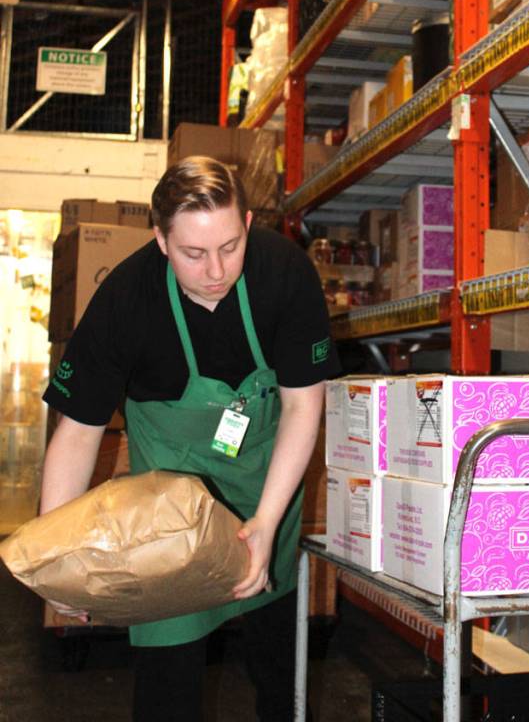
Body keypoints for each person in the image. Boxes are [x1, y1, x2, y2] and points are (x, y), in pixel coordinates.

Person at [40, 155, 341, 721]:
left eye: (230, 246)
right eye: (193, 253)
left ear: (248, 223)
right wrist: (57, 561)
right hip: (170, 499)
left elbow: (304, 405)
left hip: (264, 479)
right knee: (169, 666)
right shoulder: (126, 298)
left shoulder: (284, 274)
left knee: (277, 656)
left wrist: (266, 522)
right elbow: (77, 433)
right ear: (161, 239)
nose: (216, 271)